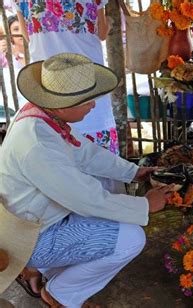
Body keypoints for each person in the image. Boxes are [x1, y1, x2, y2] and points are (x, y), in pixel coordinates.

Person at [0, 53, 173, 307]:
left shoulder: (40, 115)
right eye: (88, 101)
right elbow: (87, 199)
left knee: (111, 222)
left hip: (38, 220)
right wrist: (145, 205)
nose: (92, 106)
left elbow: (83, 152)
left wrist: (131, 171)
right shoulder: (38, 144)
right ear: (61, 105)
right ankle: (59, 295)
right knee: (131, 238)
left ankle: (60, 285)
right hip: (31, 237)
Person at [16, 0, 118, 154]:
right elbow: (102, 32)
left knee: (52, 146)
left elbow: (27, 35)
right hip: (87, 80)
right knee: (97, 154)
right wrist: (109, 22)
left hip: (48, 83)